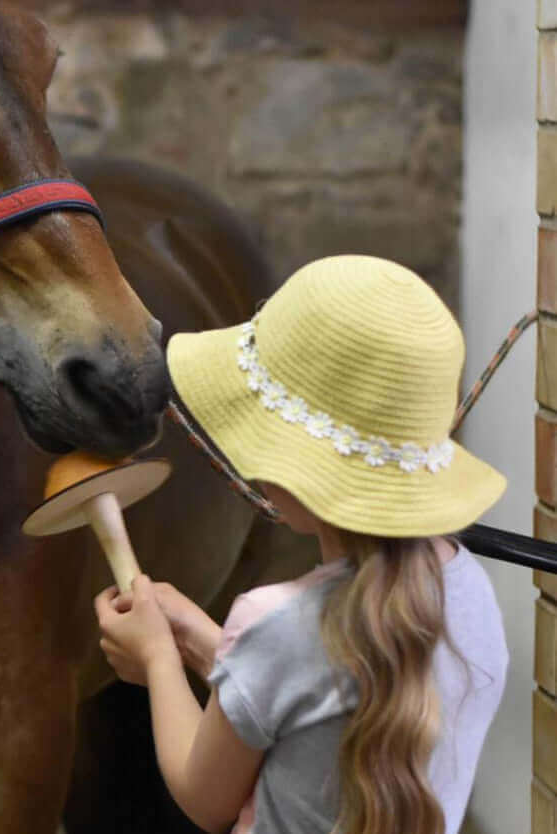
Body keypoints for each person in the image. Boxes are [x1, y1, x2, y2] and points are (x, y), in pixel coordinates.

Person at [95, 254, 509, 834]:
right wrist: (200, 645)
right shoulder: (475, 597)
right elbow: (322, 702)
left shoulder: (274, 625)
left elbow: (203, 796)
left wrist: (158, 660)